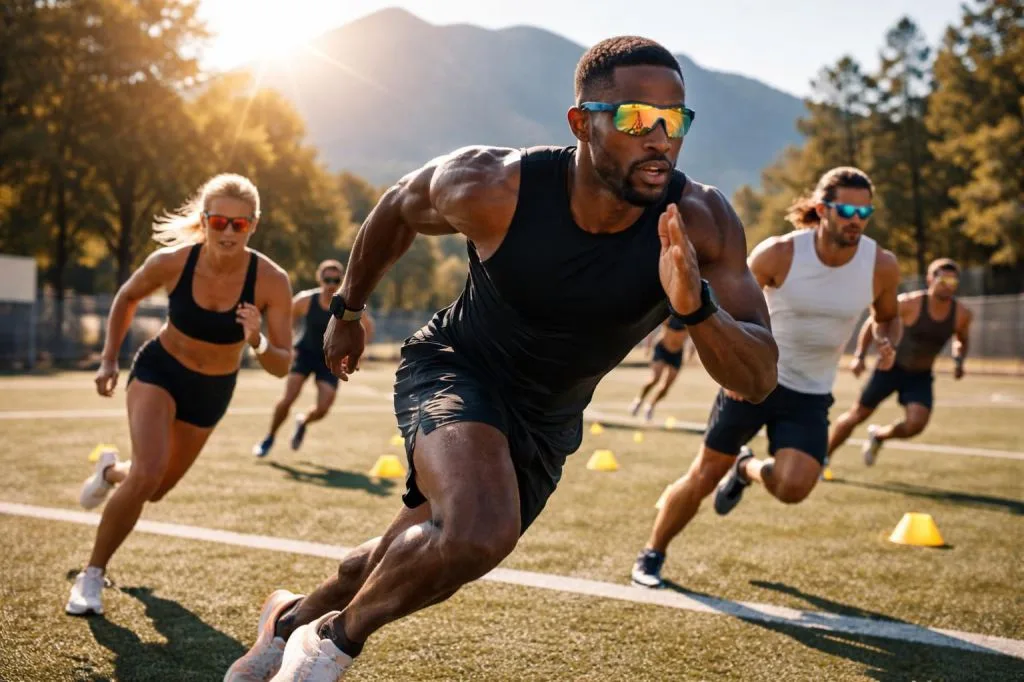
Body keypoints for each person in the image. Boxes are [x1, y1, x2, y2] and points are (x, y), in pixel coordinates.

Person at [224, 36, 778, 681]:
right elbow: (398, 206)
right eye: (635, 118)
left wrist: (697, 307)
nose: (659, 139)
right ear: (582, 123)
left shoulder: (702, 220)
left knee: (424, 556)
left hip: (548, 418)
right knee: (477, 531)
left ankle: (288, 620)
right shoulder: (496, 185)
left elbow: (757, 379)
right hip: (457, 367)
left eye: (673, 120)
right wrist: (347, 311)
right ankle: (324, 649)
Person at [631, 166, 902, 589]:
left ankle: (745, 468)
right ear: (821, 209)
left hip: (811, 392)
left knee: (794, 487)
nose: (857, 220)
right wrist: (732, 370)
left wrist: (886, 341)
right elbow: (726, 306)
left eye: (865, 213)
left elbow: (888, 317)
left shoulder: (880, 266)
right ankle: (652, 553)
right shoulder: (779, 254)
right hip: (754, 383)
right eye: (847, 210)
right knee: (704, 475)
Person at [65, 173, 293, 616]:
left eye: (239, 224)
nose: (228, 232)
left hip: (211, 391)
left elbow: (282, 364)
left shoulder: (271, 280)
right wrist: (109, 359)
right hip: (160, 371)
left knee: (154, 488)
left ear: (254, 225)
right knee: (148, 472)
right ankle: (91, 575)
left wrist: (257, 339)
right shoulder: (172, 262)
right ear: (204, 221)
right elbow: (127, 297)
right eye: (219, 221)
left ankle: (110, 472)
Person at [826, 258, 972, 469]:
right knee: (857, 416)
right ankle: (824, 457)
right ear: (930, 279)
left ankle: (879, 436)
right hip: (890, 369)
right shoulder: (909, 303)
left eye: (953, 281)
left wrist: (959, 360)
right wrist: (860, 355)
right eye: (943, 280)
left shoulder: (962, 314)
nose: (948, 286)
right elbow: (874, 321)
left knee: (916, 424)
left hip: (920, 375)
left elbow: (962, 340)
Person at [253, 260, 375, 457]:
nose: (331, 284)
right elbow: (286, 316)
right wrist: (287, 342)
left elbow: (367, 326)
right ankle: (269, 437)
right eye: (327, 279)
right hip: (305, 353)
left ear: (342, 280)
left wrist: (356, 352)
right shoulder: (306, 300)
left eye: (336, 280)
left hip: (331, 359)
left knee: (323, 408)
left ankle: (303, 422)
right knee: (288, 398)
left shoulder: (347, 304)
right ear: (320, 279)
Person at [629, 316, 689, 421]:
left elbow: (694, 337)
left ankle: (651, 405)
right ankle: (639, 400)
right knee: (655, 379)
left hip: (677, 353)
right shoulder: (670, 316)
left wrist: (691, 354)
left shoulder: (690, 318)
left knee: (666, 387)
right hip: (662, 349)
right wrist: (647, 346)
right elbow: (652, 327)